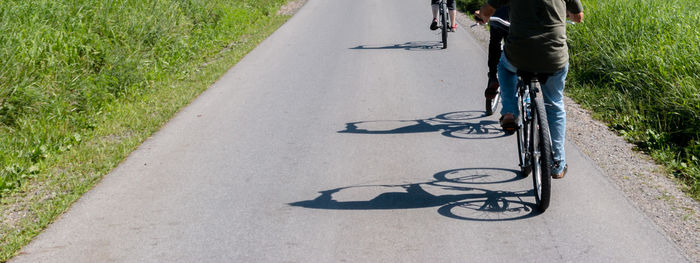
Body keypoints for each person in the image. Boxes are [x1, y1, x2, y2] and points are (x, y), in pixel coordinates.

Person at [475, 0, 584, 179]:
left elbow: (487, 11)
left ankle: (509, 111)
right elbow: (578, 17)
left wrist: (481, 16)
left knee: (503, 66)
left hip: (519, 55)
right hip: (553, 59)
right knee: (555, 105)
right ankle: (557, 162)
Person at [474, 7, 510, 108]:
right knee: (513, 49)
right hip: (521, 21)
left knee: (495, 42)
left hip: (499, 18)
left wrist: (481, 14)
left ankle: (493, 76)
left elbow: (491, 5)